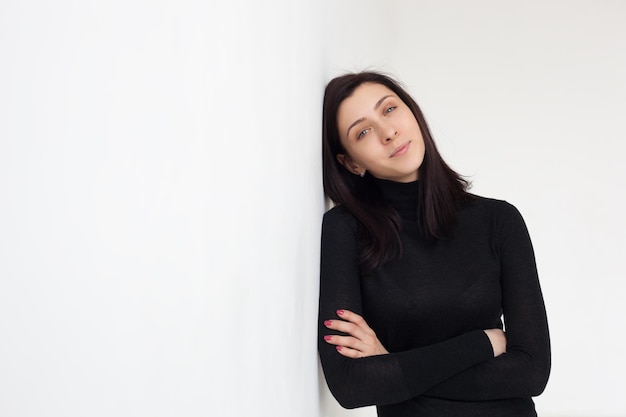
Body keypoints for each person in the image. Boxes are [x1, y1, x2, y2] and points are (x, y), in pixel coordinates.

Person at [318, 71, 550, 417]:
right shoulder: (346, 231)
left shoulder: (499, 221)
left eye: (390, 110)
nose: (388, 132)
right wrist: (483, 343)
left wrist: (392, 368)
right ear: (350, 162)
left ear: (413, 112)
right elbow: (352, 386)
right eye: (363, 132)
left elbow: (531, 373)